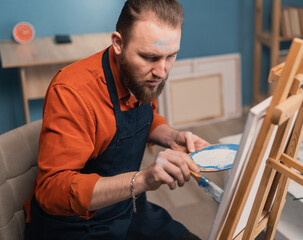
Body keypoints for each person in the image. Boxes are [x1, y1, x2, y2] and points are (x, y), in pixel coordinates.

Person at [24, 0, 210, 239]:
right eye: (150, 57)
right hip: (74, 225)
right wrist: (143, 179)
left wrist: (172, 137)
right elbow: (51, 192)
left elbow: (146, 118)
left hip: (126, 207)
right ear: (119, 43)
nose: (161, 72)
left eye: (171, 56)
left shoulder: (142, 76)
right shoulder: (73, 91)